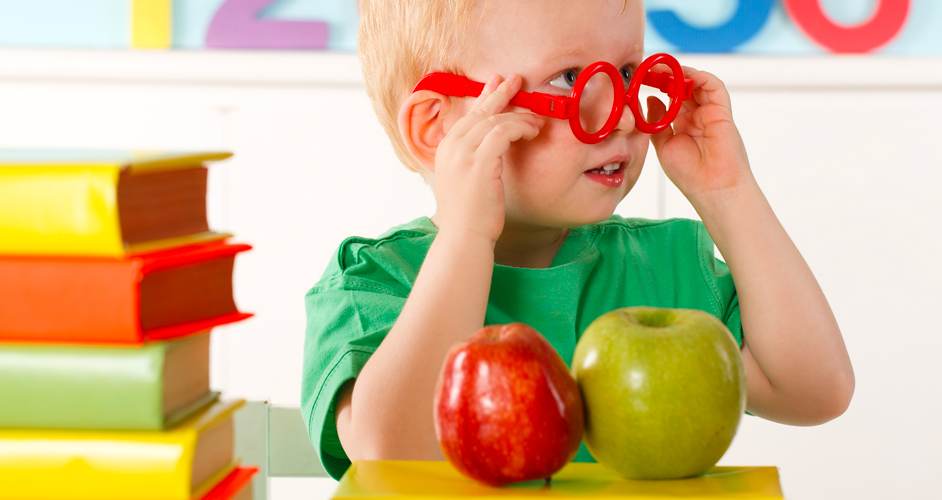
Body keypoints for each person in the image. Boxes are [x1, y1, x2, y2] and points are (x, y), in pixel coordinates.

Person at [301, 0, 855, 479]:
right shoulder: (371, 284)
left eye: (628, 70)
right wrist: (468, 234)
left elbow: (814, 391)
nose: (619, 117)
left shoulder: (664, 265)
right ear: (438, 128)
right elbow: (392, 454)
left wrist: (727, 191)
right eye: (570, 78)